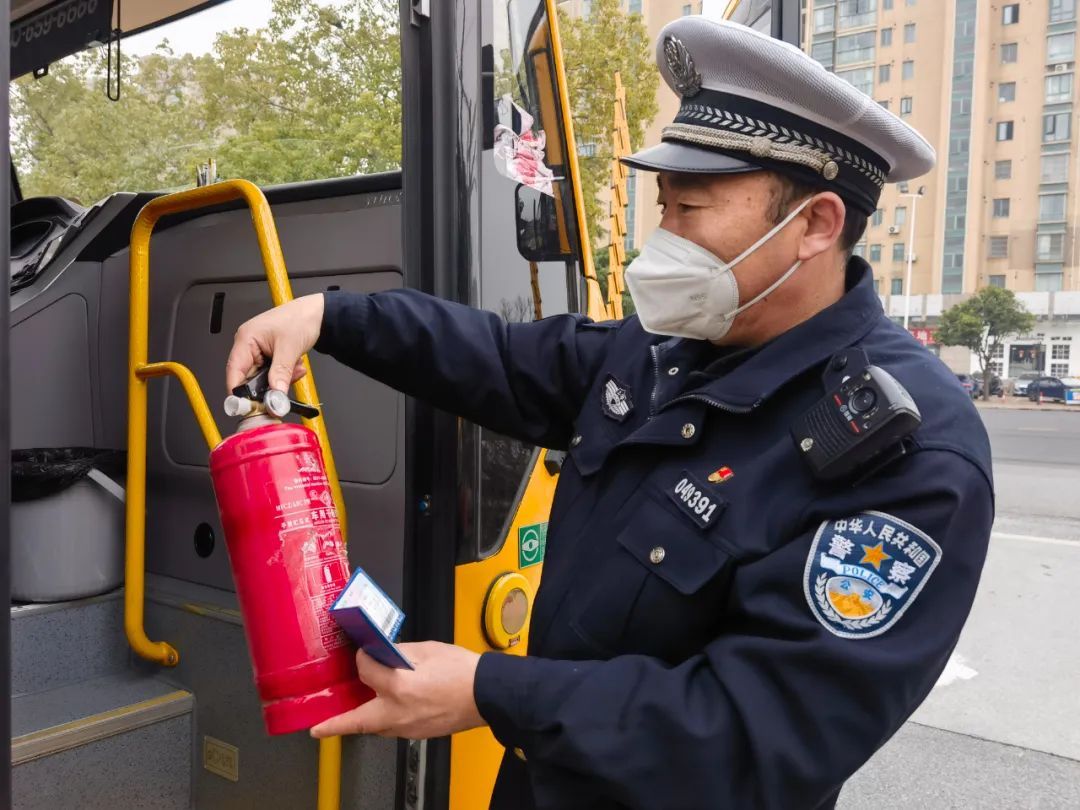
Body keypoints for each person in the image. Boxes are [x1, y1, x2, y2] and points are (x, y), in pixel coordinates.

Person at [226, 16, 993, 810]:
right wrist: (332, 317)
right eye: (662, 205)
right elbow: (500, 358)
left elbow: (759, 732)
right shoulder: (672, 345)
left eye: (689, 209)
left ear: (816, 225)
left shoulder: (906, 452)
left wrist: (493, 692)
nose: (661, 240)